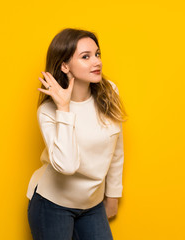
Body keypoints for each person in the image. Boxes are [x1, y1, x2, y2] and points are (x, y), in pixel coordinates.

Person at [26, 28, 127, 240]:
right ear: (64, 65)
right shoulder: (48, 111)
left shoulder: (109, 92)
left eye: (97, 54)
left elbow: (116, 148)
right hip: (52, 205)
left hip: (92, 205)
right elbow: (67, 166)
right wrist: (63, 108)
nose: (96, 62)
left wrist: (113, 195)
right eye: (85, 57)